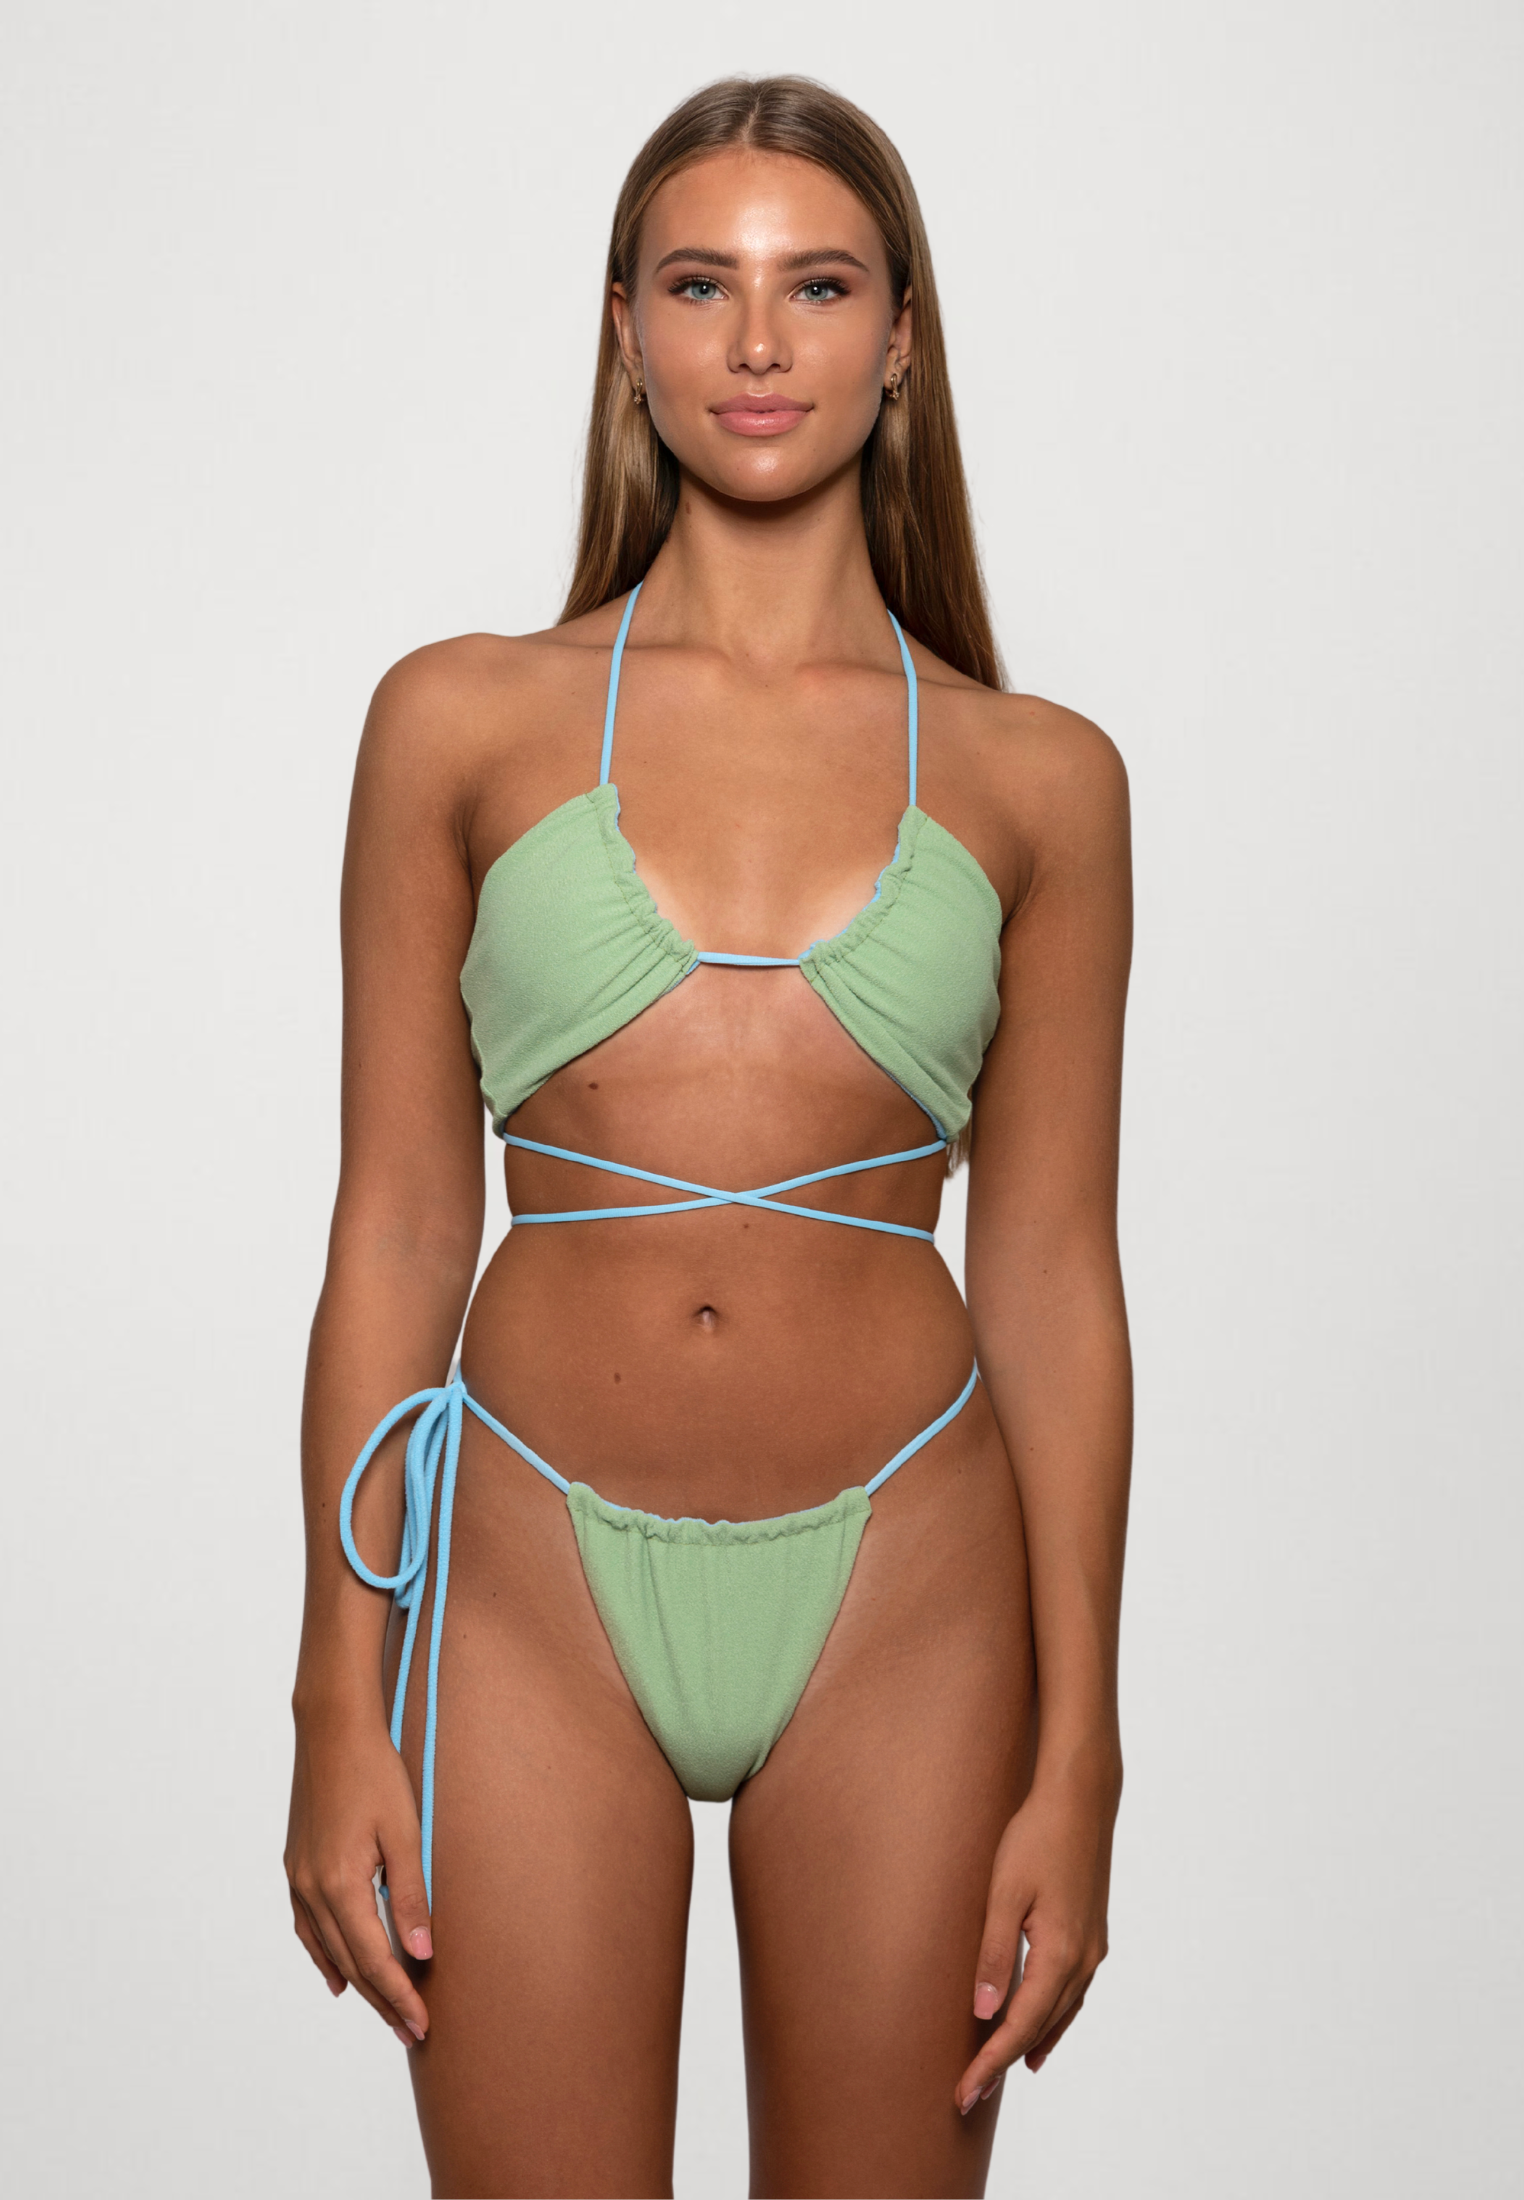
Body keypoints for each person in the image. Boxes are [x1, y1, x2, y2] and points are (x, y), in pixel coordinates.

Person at [284, 73, 1133, 2200]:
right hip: (524, 1581)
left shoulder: (1042, 778)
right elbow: (397, 1225)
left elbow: (1053, 1277)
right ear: (624, 330)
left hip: (914, 1586)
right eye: (700, 285)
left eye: (818, 286)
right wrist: (333, 1698)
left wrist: (1086, 1751)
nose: (758, 341)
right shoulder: (456, 720)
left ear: (902, 335)